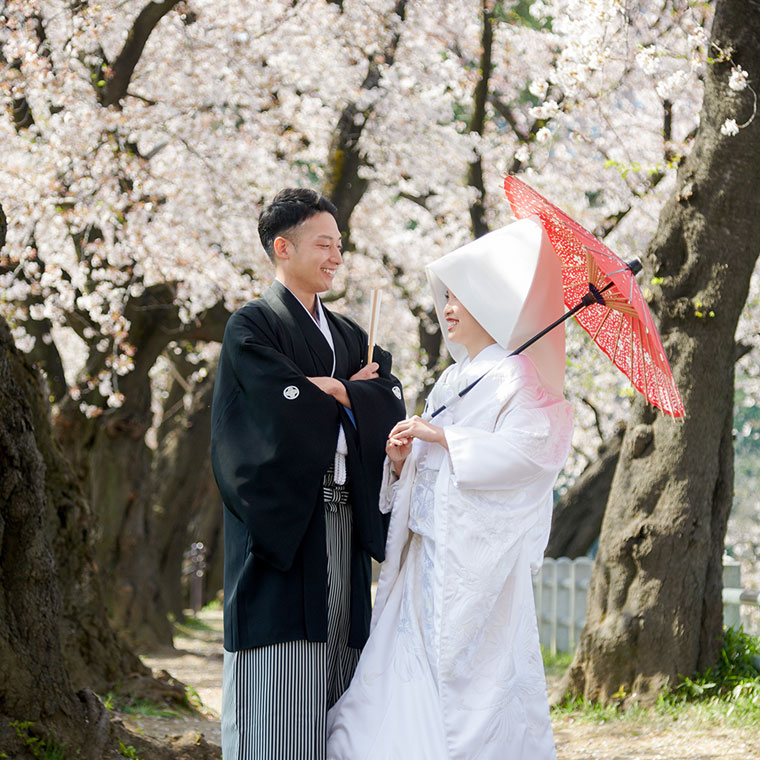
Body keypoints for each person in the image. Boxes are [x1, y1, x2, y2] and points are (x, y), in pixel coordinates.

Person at [326, 217, 574, 760]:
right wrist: (402, 461)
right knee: (396, 671)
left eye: (462, 298)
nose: (450, 308)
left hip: (475, 556)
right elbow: (430, 458)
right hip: (426, 551)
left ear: (491, 303)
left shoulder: (518, 378)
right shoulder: (453, 377)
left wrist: (443, 436)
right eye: (448, 298)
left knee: (474, 681)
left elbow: (532, 453)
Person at [210, 188, 406, 760]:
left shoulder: (350, 335)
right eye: (324, 244)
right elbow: (274, 410)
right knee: (280, 695)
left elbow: (389, 402)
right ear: (282, 248)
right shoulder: (252, 326)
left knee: (343, 677)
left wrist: (342, 389)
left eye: (340, 245)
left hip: (345, 520)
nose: (336, 257)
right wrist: (355, 395)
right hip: (286, 529)